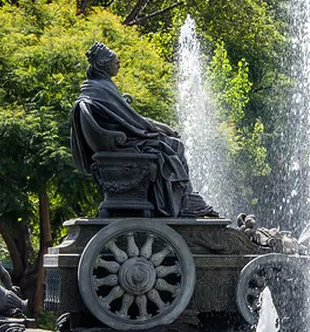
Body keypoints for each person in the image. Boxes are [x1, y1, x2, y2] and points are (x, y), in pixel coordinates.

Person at [71, 42, 216, 217]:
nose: (119, 65)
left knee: (168, 144)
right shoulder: (101, 89)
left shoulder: (94, 87)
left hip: (118, 143)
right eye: (116, 62)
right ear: (103, 64)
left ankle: (180, 198)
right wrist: (162, 128)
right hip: (124, 146)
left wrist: (159, 127)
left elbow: (128, 119)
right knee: (175, 146)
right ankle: (183, 201)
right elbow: (135, 122)